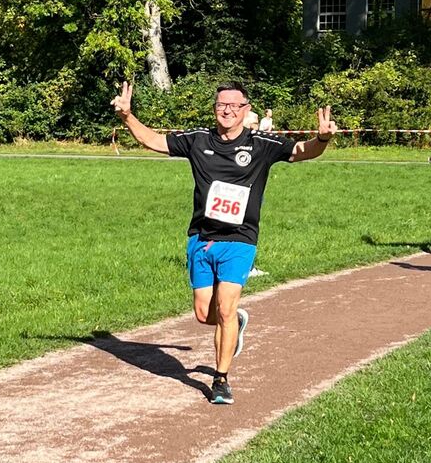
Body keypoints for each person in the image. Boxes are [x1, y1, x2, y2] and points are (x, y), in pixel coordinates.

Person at [111, 80, 337, 405]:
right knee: (205, 314)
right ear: (215, 109)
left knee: (226, 308)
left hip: (239, 240)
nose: (227, 110)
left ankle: (221, 379)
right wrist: (128, 116)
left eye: (234, 105)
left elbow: (304, 151)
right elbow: (155, 141)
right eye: (221, 105)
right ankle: (236, 323)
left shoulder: (261, 144)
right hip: (201, 238)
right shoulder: (198, 140)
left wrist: (323, 138)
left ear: (246, 110)